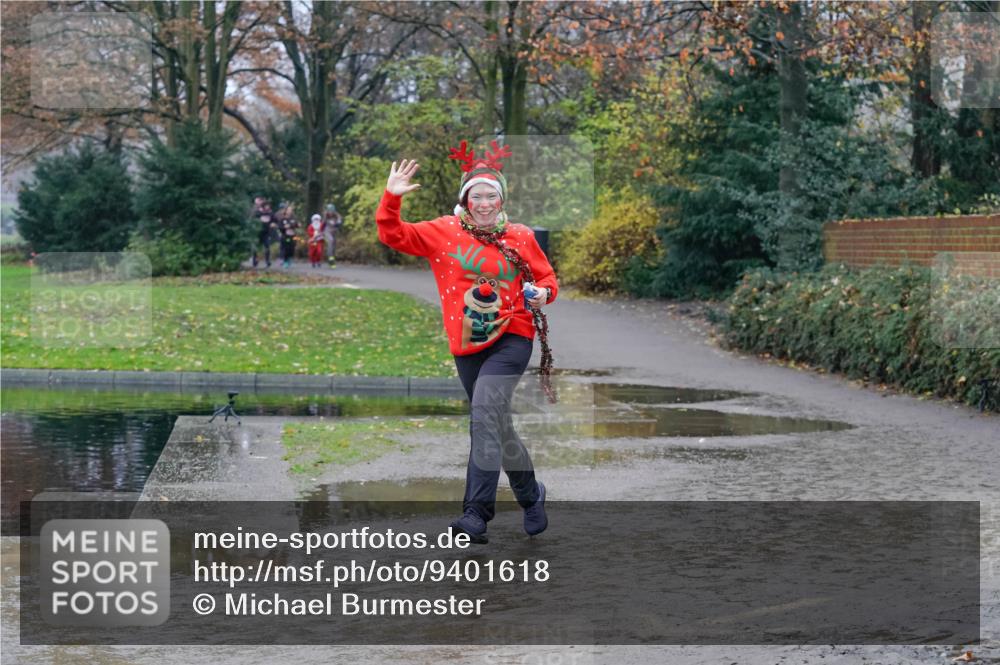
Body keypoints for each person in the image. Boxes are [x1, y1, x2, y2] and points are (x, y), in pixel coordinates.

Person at [375, 140, 558, 544]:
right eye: (477, 195)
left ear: (502, 198)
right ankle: (532, 494)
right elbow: (393, 235)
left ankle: (476, 514)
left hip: (513, 335)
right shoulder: (443, 232)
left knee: (484, 417)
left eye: (492, 195)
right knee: (495, 423)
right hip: (467, 342)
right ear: (465, 199)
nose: (485, 202)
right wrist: (391, 198)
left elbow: (546, 279)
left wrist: (543, 295)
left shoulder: (521, 236)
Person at [251, 197, 276, 268]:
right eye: (266, 206)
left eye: (269, 206)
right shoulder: (257, 212)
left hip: (266, 232)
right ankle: (254, 260)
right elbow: (252, 220)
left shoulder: (270, 213)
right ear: (263, 206)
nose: (268, 207)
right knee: (255, 247)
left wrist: (273, 223)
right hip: (257, 232)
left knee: (267, 246)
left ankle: (267, 261)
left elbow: (275, 220)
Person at [277, 202, 299, 269]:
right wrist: (285, 227)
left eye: (291, 210)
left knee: (292, 248)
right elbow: (280, 227)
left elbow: (297, 225)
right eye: (288, 210)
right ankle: (285, 261)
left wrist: (292, 225)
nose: (290, 211)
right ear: (286, 211)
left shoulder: (293, 218)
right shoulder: (283, 219)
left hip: (293, 235)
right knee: (286, 248)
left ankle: (289, 258)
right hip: (286, 236)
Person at [323, 203, 343, 267]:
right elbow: (322, 224)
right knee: (330, 241)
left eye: (332, 211)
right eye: (329, 211)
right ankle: (330, 257)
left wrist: (338, 223)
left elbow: (339, 222)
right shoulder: (325, 215)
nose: (330, 213)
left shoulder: (337, 215)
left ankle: (332, 258)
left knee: (334, 245)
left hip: (334, 231)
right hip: (327, 231)